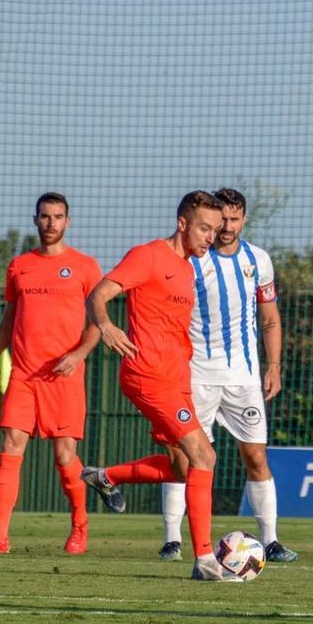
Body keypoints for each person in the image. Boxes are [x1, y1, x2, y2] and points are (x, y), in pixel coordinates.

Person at [80, 190, 230, 580]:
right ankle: (205, 559)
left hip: (177, 377)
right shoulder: (147, 256)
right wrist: (106, 325)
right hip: (148, 375)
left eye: (215, 230)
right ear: (182, 223)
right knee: (205, 457)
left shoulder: (188, 267)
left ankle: (105, 476)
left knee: (183, 469)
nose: (210, 237)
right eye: (203, 228)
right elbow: (99, 294)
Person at [156, 188, 297, 564]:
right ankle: (173, 539)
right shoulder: (193, 261)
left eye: (235, 220)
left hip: (243, 379)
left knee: (255, 457)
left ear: (243, 220)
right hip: (196, 376)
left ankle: (270, 540)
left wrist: (274, 366)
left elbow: (269, 318)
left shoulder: (259, 261)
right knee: (183, 458)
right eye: (222, 222)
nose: (227, 228)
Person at [0, 192, 102, 554]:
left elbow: (98, 325)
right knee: (10, 446)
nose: (51, 223)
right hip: (24, 376)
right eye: (44, 216)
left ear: (67, 222)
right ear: (35, 219)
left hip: (64, 377)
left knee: (64, 456)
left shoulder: (86, 267)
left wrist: (77, 355)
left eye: (58, 217)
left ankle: (80, 525)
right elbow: (9, 323)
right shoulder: (19, 266)